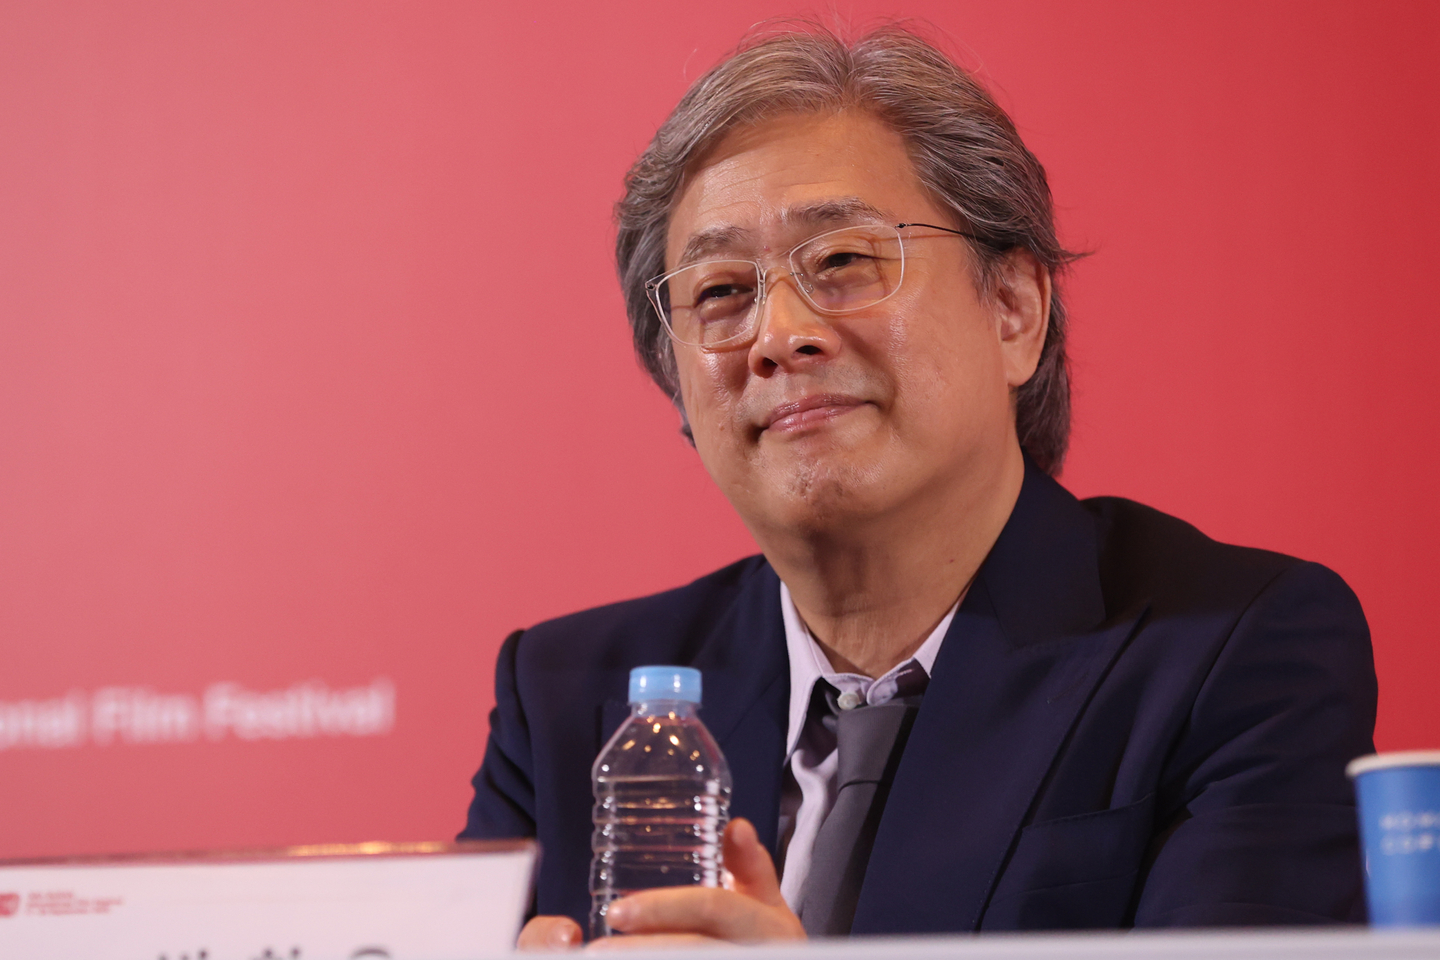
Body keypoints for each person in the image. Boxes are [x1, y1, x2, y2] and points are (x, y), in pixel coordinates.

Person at [459, 23, 1376, 948]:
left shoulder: (1236, 654)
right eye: (723, 292)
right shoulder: (569, 699)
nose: (778, 334)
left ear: (1015, 308)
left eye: (844, 261)